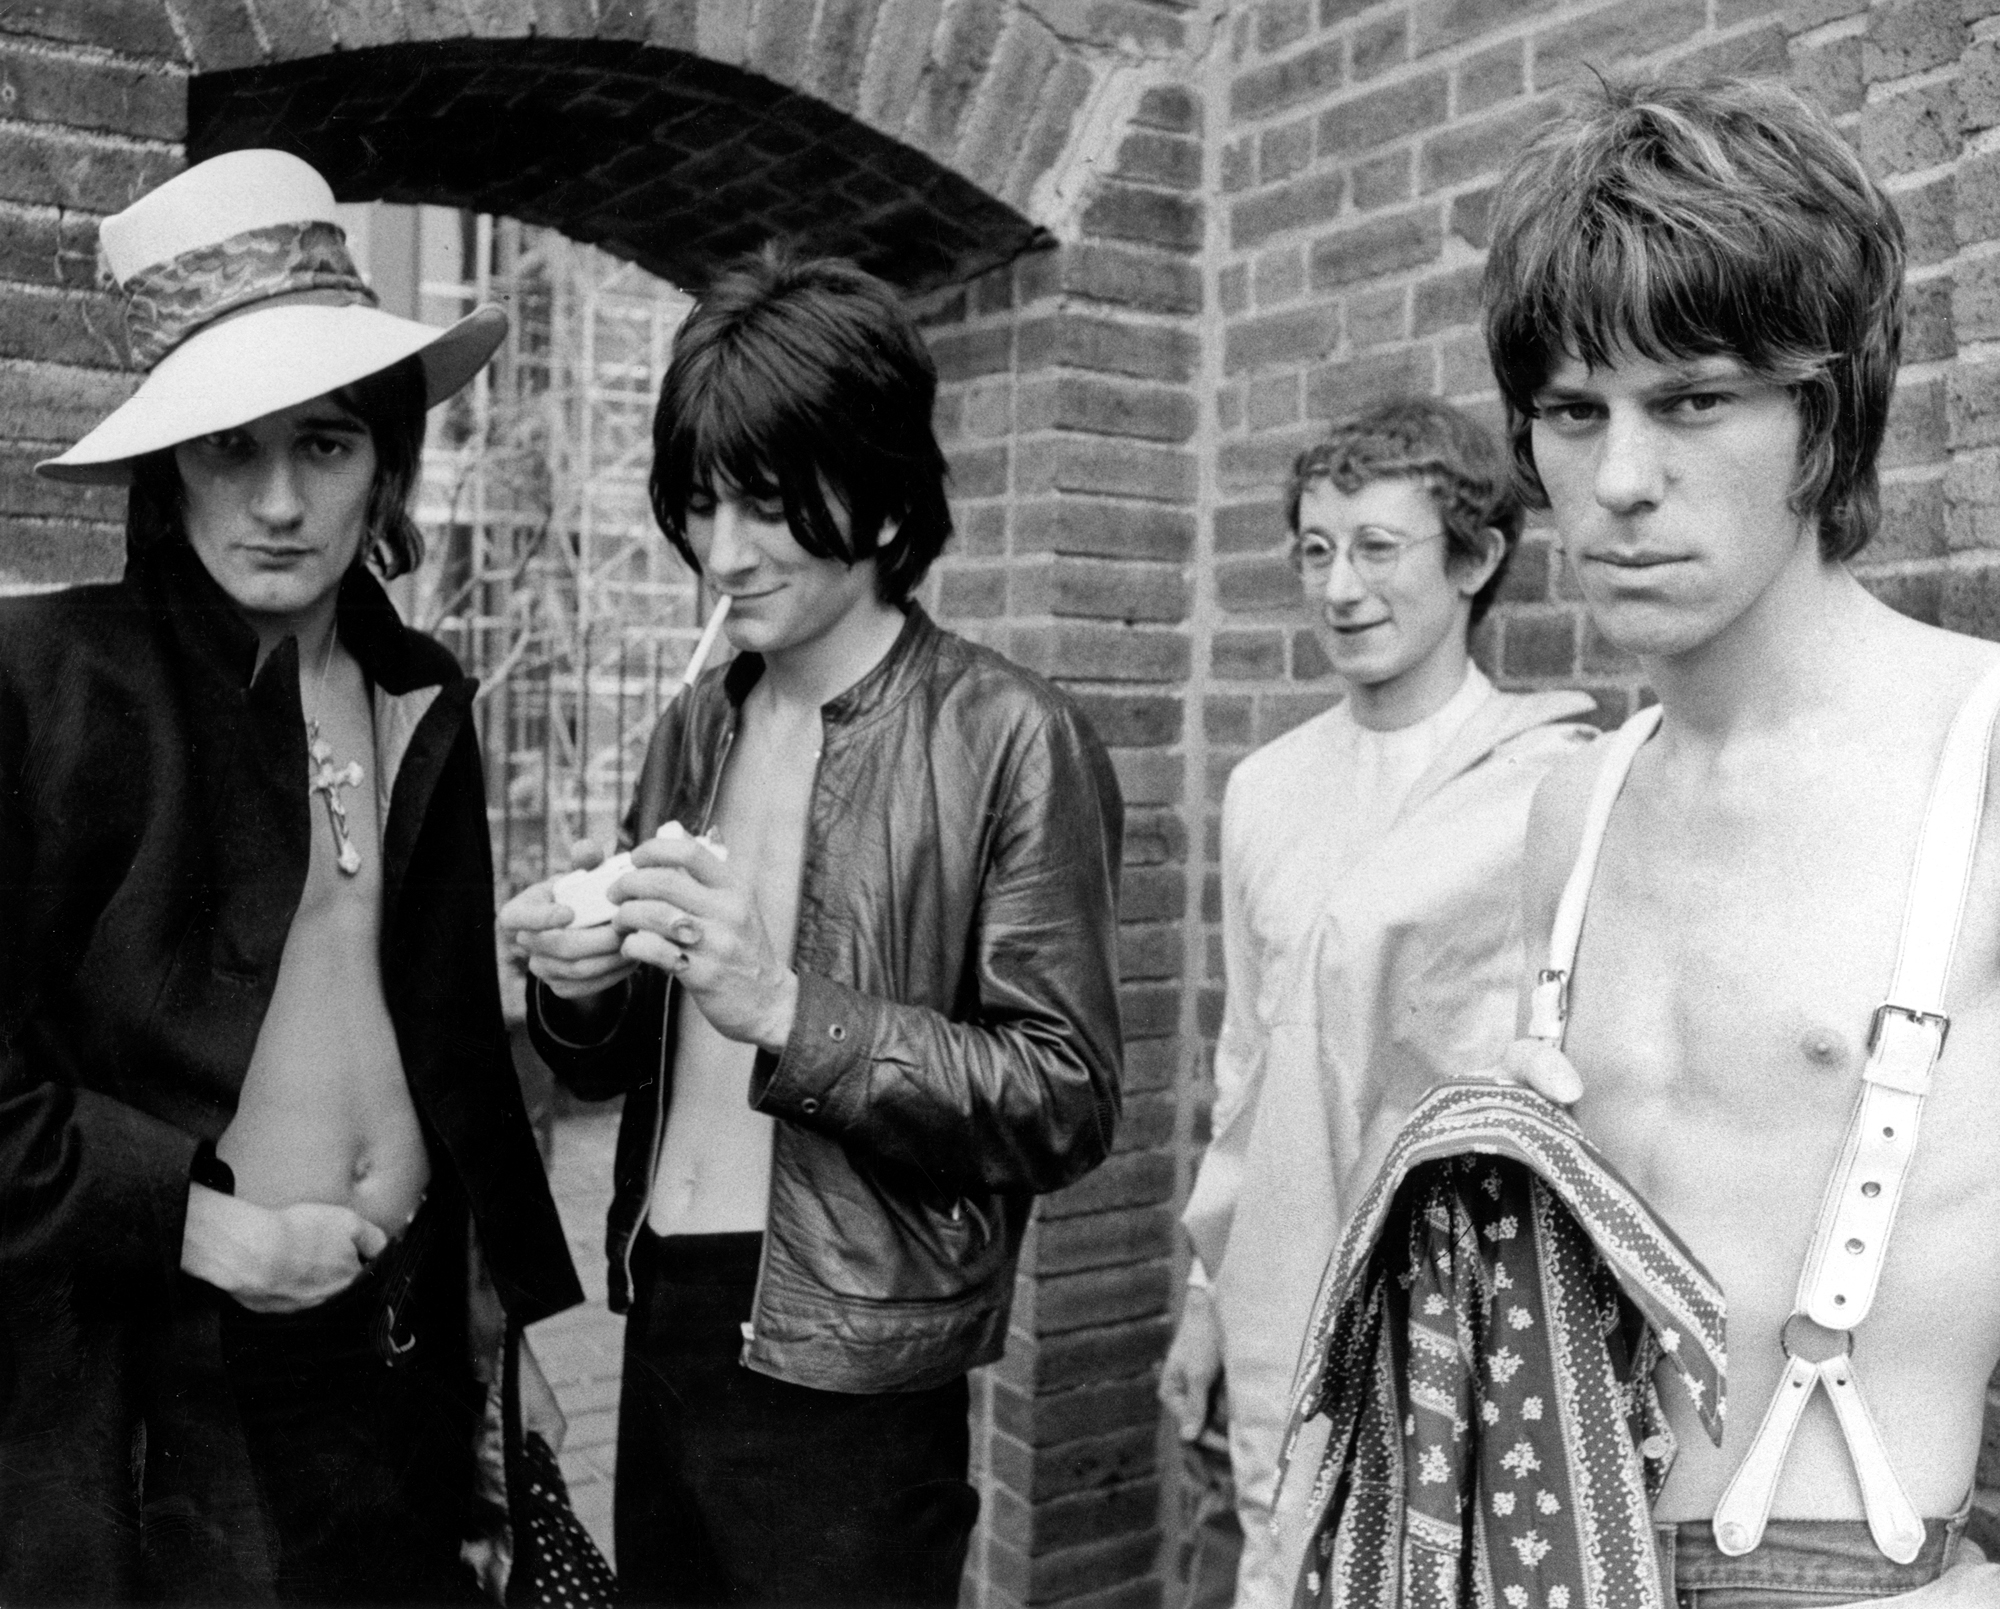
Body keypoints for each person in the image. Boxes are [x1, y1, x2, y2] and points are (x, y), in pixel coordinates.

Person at [500, 247, 1125, 1608]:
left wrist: (790, 1009)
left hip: (855, 1354)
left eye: (769, 503)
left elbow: (1064, 1098)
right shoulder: (694, 721)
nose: (724, 553)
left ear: (881, 480)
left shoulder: (1013, 737)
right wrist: (582, 986)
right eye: (701, 504)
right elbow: (619, 1067)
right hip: (663, 1305)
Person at [0, 149, 583, 1604]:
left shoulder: (420, 694)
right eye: (228, 449)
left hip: (391, 1356)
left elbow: (442, 1061)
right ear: (167, 467)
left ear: (385, 461)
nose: (277, 501)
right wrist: (206, 1231)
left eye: (323, 445)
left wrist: (485, 1353)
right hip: (165, 1384)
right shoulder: (52, 689)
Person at [1482, 75, 2000, 1604]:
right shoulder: (1575, 805)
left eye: (1692, 399)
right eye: (1575, 413)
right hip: (1556, 1561)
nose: (1622, 482)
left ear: (1821, 416)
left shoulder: (1981, 760)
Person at [1158, 399, 1596, 1608]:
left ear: (1474, 558)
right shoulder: (1264, 787)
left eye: (1376, 548)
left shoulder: (1550, 783)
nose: (1338, 587)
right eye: (1313, 548)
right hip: (1276, 1290)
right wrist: (1204, 1302)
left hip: (1452, 1300)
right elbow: (1245, 1058)